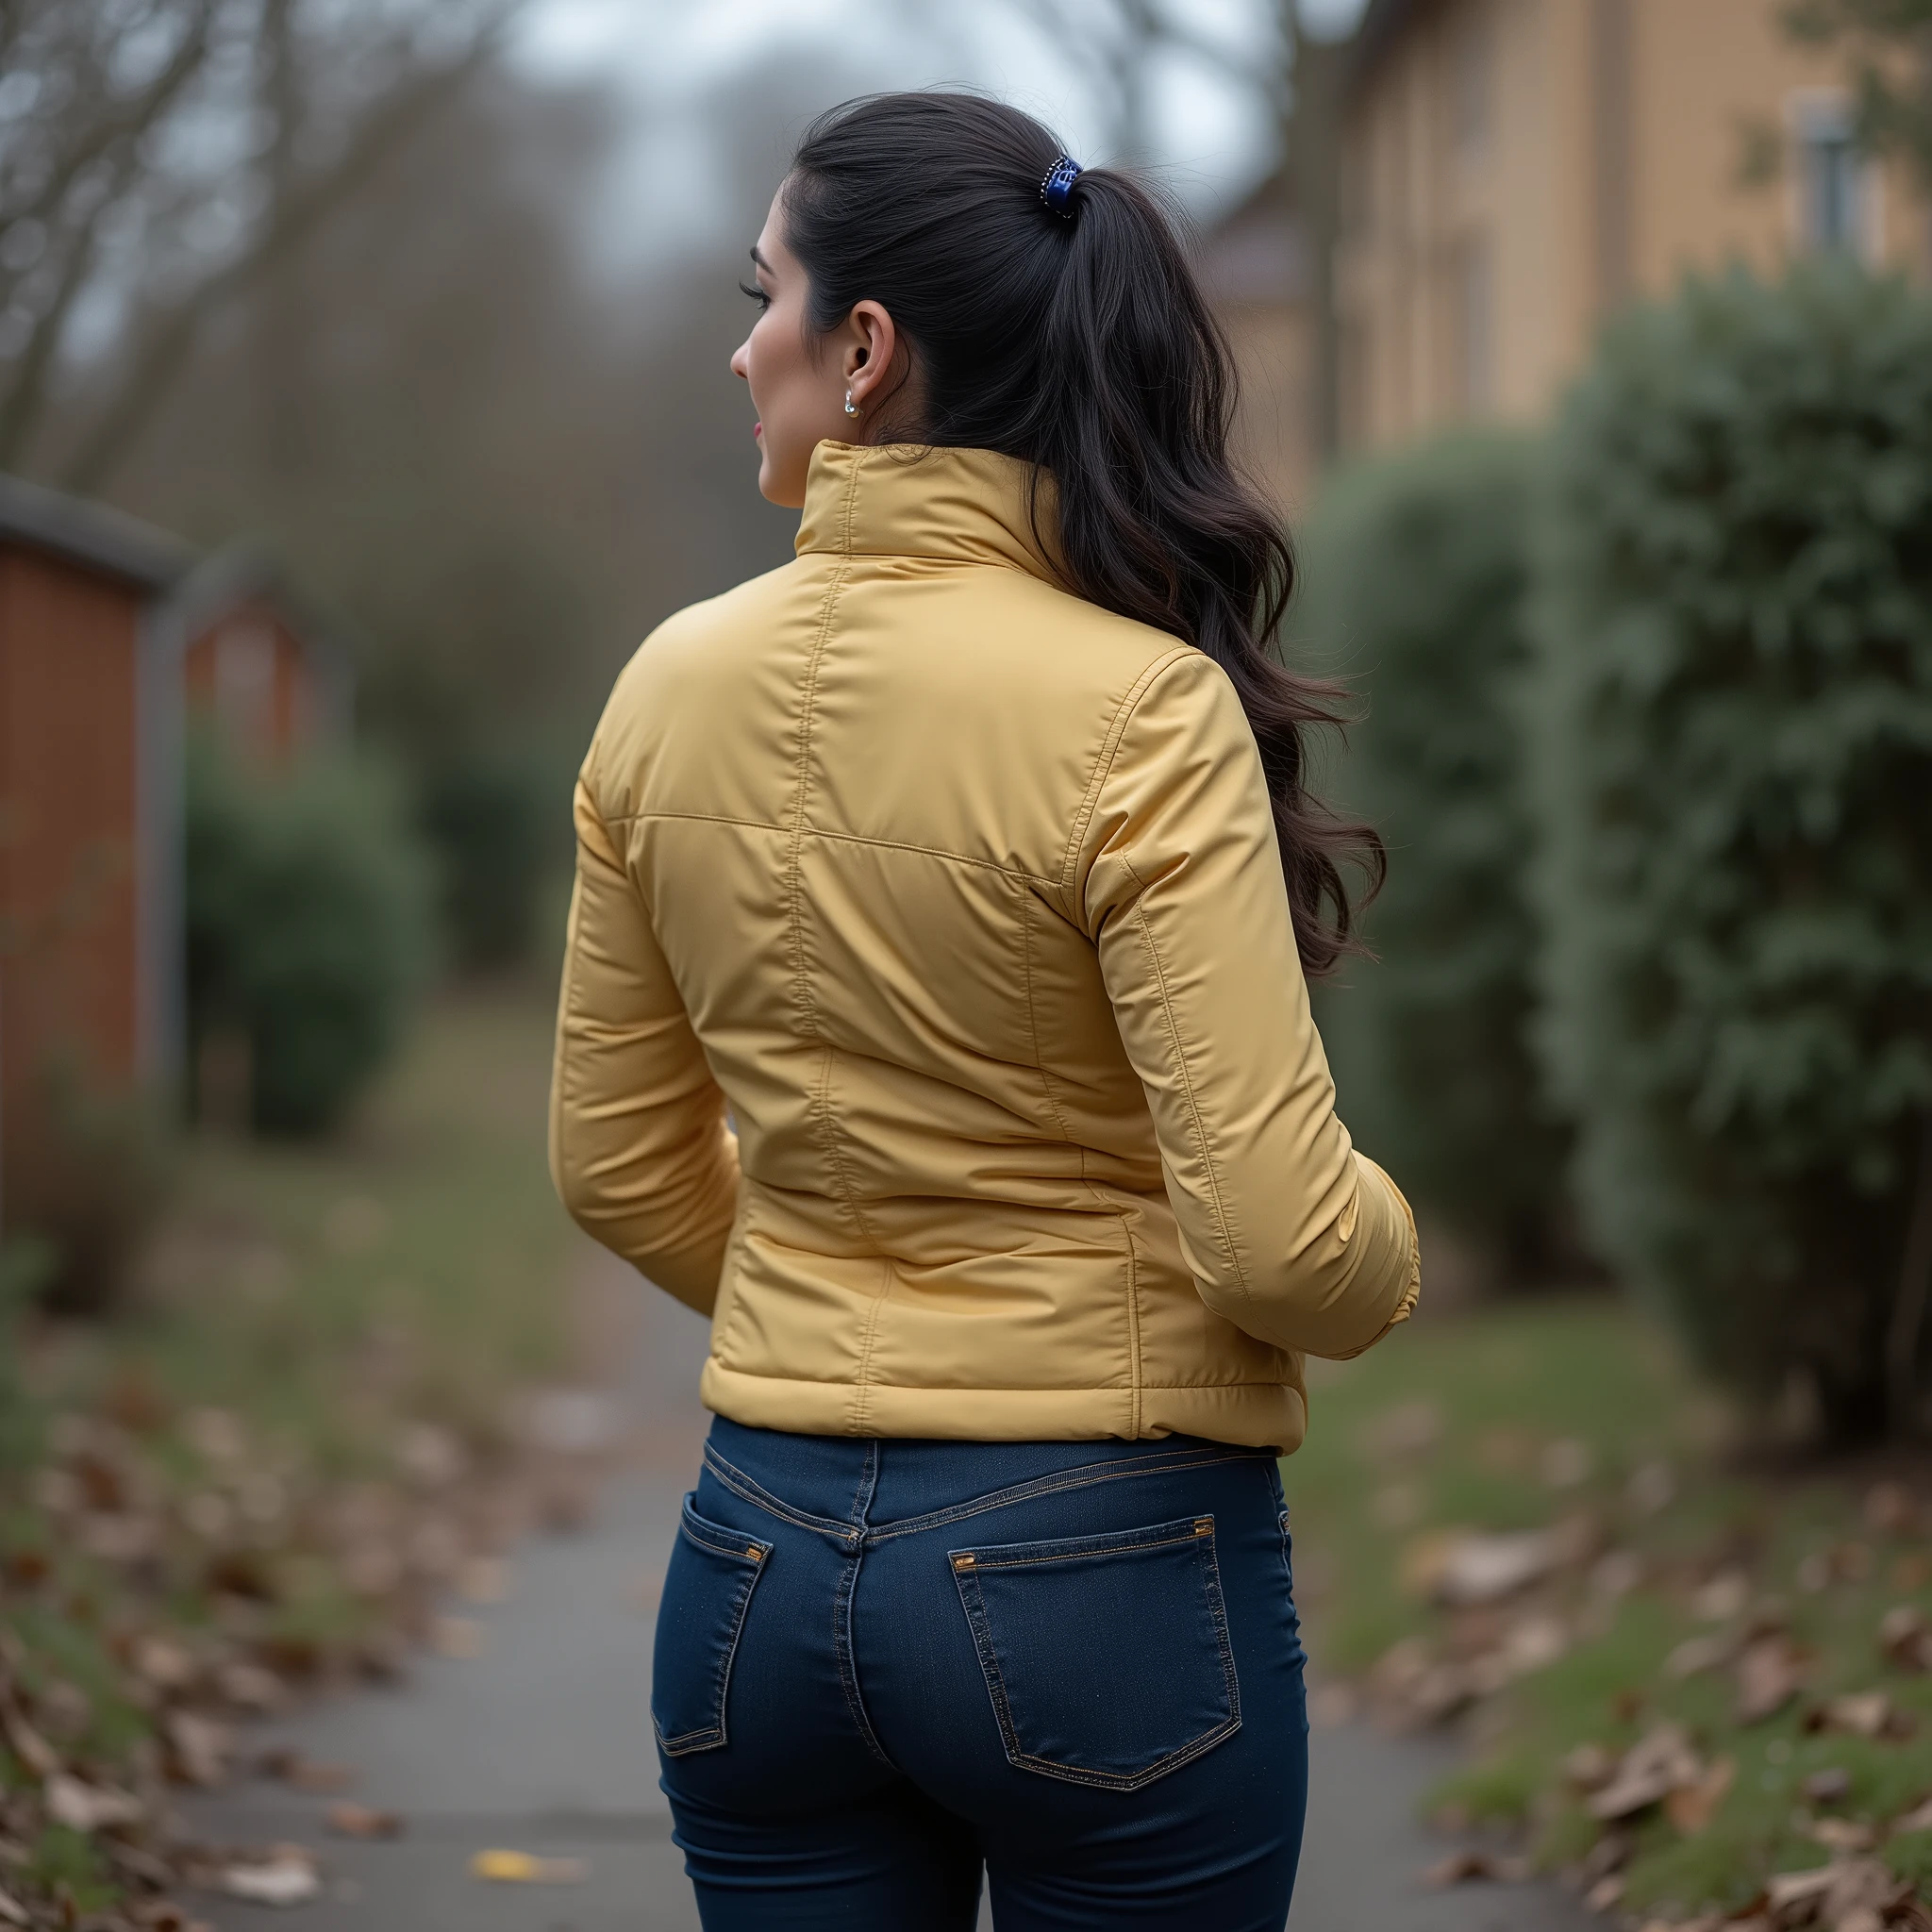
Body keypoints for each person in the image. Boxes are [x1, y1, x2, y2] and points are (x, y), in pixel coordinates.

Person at [550, 90, 1419, 1932]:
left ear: (864, 352)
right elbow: (1274, 1238)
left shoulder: (662, 688)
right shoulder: (1141, 708)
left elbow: (621, 1172)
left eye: (760, 294)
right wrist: (1392, 1253)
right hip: (1098, 1571)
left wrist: (842, 1299)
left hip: (754, 1571)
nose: (735, 345)